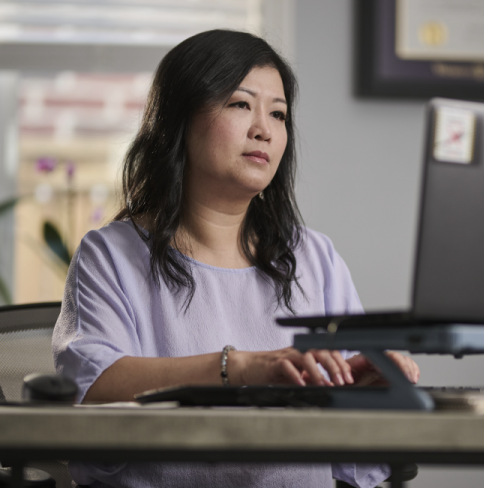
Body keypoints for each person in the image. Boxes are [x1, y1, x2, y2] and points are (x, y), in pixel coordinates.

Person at [51, 29, 420, 488]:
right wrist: (240, 369)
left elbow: (356, 455)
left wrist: (367, 393)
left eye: (279, 114)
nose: (264, 128)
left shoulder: (314, 258)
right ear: (179, 120)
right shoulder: (110, 256)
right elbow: (91, 391)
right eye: (241, 104)